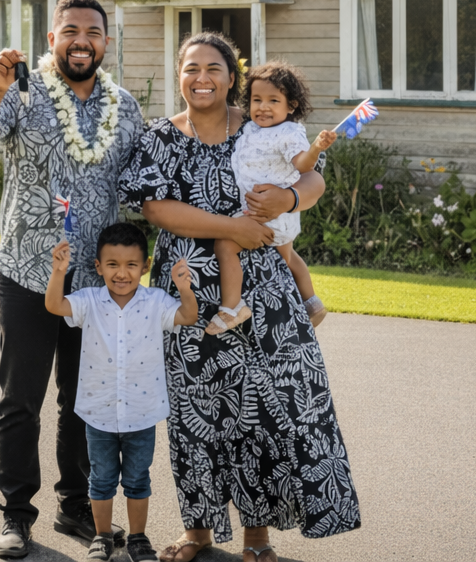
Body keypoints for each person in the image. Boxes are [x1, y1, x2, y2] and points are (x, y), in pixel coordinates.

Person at [119, 31, 361, 562]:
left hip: (266, 295)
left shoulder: (261, 124)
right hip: (189, 295)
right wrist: (232, 227)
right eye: (191, 68)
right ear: (179, 75)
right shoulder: (159, 137)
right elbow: (154, 208)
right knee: (195, 411)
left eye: (213, 68)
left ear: (232, 77)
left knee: (263, 412)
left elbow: (313, 179)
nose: (201, 78)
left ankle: (257, 537)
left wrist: (290, 198)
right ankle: (198, 532)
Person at [0, 0, 146, 560]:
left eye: (92, 32)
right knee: (21, 401)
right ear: (52, 39)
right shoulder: (22, 92)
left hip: (94, 286)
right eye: (70, 31)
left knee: (81, 401)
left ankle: (76, 508)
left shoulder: (125, 107)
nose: (81, 41)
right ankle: (16, 515)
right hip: (27, 272)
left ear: (105, 43)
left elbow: (143, 186)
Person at [45, 222, 199, 562]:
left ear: (145, 266)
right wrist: (58, 272)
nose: (121, 273)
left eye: (131, 265)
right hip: (99, 412)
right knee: (100, 480)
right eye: (112, 264)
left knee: (137, 479)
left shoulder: (156, 302)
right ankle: (102, 537)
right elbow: (55, 305)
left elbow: (188, 315)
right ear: (98, 266)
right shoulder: (89, 300)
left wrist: (184, 288)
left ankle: (138, 539)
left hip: (141, 412)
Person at [210, 61, 336, 335]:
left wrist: (315, 149)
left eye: (273, 100)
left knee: (225, 246)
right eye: (257, 99)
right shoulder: (253, 128)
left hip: (269, 212)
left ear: (291, 106)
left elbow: (303, 165)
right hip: (274, 211)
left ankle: (232, 306)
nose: (263, 107)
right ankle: (312, 302)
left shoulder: (288, 133)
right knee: (287, 257)